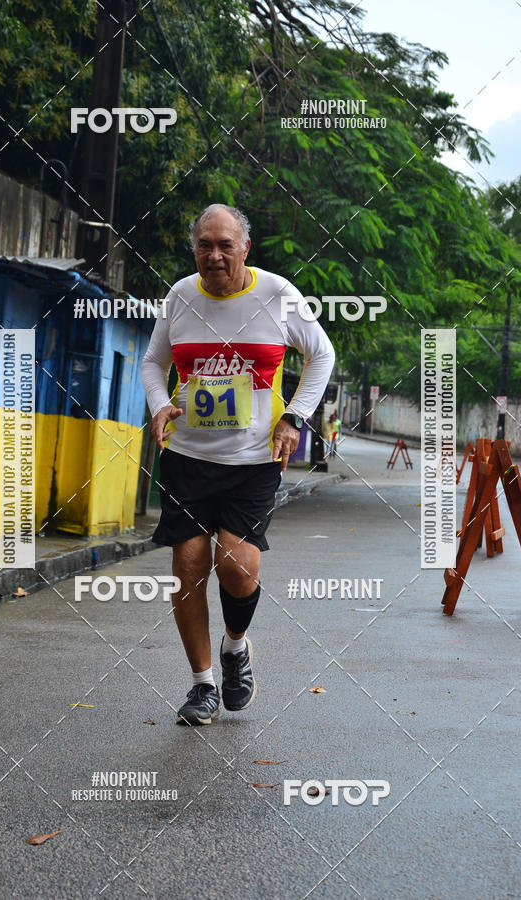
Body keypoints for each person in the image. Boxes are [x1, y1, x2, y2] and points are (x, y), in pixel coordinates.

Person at [141, 204, 334, 726]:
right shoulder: (180, 296)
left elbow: (322, 355)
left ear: (245, 247)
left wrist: (294, 417)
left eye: (225, 245)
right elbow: (153, 361)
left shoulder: (277, 294)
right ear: (194, 249)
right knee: (188, 567)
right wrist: (160, 404)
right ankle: (203, 684)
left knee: (236, 566)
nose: (215, 255)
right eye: (205, 245)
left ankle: (235, 647)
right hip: (187, 456)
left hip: (254, 459)